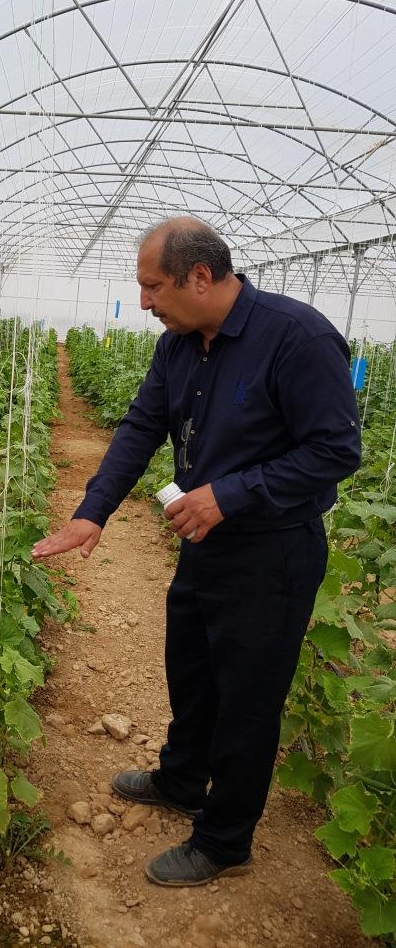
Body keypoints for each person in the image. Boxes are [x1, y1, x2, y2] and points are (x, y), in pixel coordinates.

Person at [32, 217, 361, 887]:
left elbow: (335, 451)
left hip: (273, 553)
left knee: (247, 697)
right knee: (192, 668)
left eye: (153, 287)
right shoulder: (180, 345)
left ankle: (225, 839)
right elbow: (142, 426)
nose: (146, 301)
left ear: (200, 278)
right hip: (204, 545)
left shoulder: (296, 338)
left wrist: (230, 495)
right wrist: (91, 513)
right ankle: (183, 779)